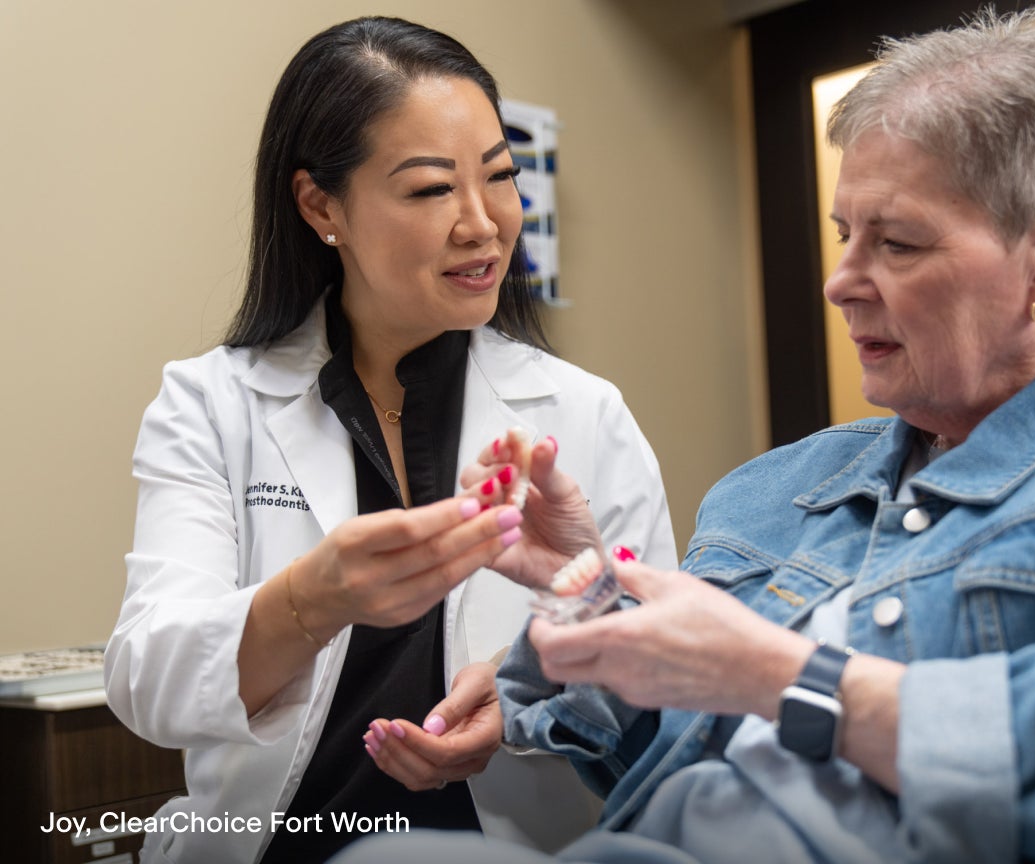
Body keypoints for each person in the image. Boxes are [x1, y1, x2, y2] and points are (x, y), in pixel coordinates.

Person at [328, 7, 1035, 864]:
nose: (841, 280)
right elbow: (662, 773)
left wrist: (789, 675)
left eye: (899, 243)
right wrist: (595, 602)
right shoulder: (771, 493)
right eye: (845, 235)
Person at [104, 16, 676, 864]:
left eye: (499, 177)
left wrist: (528, 707)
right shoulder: (211, 403)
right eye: (429, 189)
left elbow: (668, 679)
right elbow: (148, 679)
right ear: (320, 205)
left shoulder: (581, 413)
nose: (482, 223)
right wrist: (311, 600)